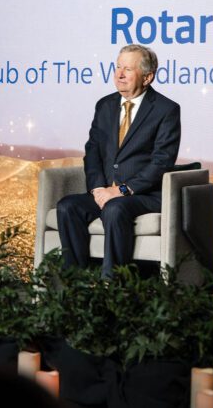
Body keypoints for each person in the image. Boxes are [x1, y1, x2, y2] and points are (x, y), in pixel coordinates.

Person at [56, 44, 181, 278]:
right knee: (67, 206)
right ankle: (75, 284)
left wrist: (121, 190)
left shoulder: (166, 110)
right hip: (106, 190)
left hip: (144, 194)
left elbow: (161, 162)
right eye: (117, 67)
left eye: (128, 69)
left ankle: (113, 287)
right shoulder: (105, 105)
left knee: (114, 208)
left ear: (147, 77)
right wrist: (97, 187)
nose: (119, 74)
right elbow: (92, 150)